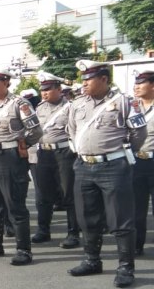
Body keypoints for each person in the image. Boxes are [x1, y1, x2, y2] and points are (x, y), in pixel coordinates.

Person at [67, 60, 146, 288]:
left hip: (113, 167)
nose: (84, 83)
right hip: (83, 166)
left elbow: (138, 133)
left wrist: (121, 153)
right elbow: (71, 130)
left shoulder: (124, 102)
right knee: (87, 218)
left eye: (88, 79)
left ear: (103, 78)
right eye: (82, 79)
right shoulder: (77, 104)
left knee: (120, 219)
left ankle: (125, 268)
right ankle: (92, 260)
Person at [0, 66, 43, 266]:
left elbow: (36, 131)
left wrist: (24, 145)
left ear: (6, 83)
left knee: (15, 205)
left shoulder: (19, 104)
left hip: (10, 157)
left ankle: (24, 250)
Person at [31, 71, 80, 249]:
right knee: (43, 195)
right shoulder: (40, 108)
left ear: (59, 89)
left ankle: (73, 233)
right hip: (44, 154)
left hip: (64, 154)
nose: (44, 93)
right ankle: (43, 230)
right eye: (42, 89)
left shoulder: (71, 107)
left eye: (48, 89)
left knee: (69, 194)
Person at [132, 70, 154, 257]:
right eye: (136, 83)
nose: (136, 87)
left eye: (141, 83)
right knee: (136, 208)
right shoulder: (131, 107)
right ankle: (137, 245)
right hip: (136, 162)